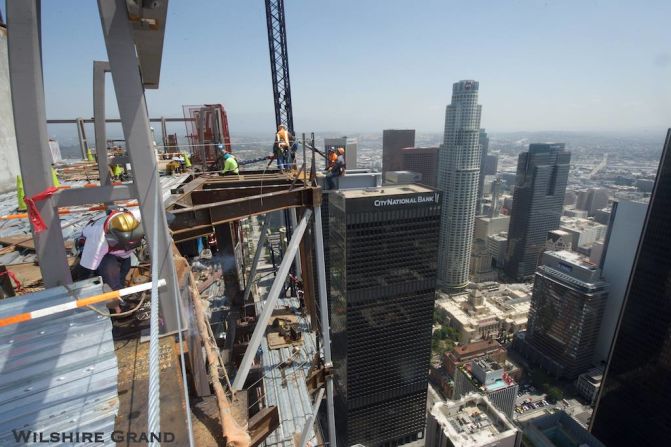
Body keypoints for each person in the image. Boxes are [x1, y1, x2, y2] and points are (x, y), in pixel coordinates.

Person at [76, 209, 144, 313]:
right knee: (110, 270)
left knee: (126, 267)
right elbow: (85, 273)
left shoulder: (136, 215)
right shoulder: (97, 243)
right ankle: (118, 303)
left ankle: (121, 289)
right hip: (103, 254)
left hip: (121, 253)